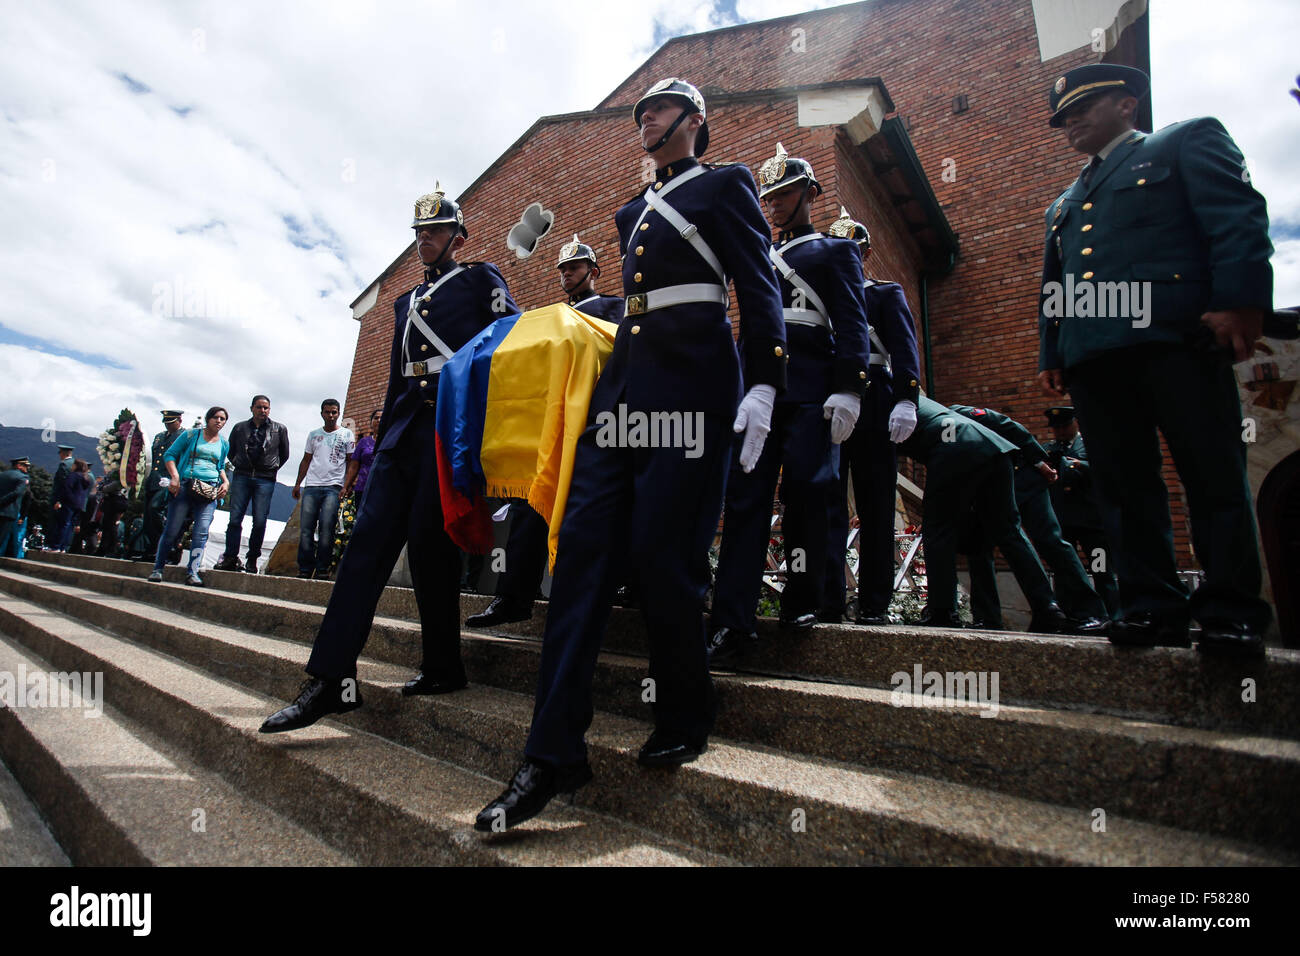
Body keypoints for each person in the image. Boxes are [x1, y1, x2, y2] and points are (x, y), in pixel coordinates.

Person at [476, 77, 786, 831]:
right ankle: (550, 757)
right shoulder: (628, 212)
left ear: (693, 121)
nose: (644, 116)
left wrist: (765, 383)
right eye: (640, 109)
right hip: (622, 400)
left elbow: (757, 284)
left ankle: (685, 709)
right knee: (580, 554)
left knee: (663, 557)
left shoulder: (727, 186)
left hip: (693, 390)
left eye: (659, 107)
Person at [259, 185, 518, 733]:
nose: (426, 240)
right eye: (420, 233)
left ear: (458, 235)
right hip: (403, 437)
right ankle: (331, 680)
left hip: (448, 432)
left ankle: (444, 666)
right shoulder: (404, 303)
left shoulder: (480, 279)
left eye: (436, 231)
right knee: (363, 553)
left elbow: (508, 343)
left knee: (432, 556)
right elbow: (399, 380)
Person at [1037, 64, 1273, 655]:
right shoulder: (1064, 202)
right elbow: (1057, 280)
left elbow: (1236, 215)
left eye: (1086, 107)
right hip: (1095, 356)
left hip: (1176, 339)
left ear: (1127, 103)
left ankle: (1230, 611)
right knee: (1123, 486)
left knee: (1211, 472)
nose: (1072, 122)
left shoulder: (1183, 141)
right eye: (1064, 116)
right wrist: (1054, 348)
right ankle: (1149, 606)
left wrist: (1239, 301)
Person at [707, 144, 870, 666]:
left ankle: (806, 599)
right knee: (745, 500)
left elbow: (850, 323)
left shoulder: (834, 251)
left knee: (807, 493)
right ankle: (733, 619)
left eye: (785, 194)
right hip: (760, 390)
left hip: (811, 390)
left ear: (810, 193)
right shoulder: (758, 254)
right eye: (769, 196)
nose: (775, 204)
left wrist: (850, 387)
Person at [466, 234, 624, 629]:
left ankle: (609, 588)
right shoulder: (549, 316)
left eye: (574, 266)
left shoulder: (613, 308)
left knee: (598, 510)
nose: (567, 273)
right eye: (562, 269)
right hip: (550, 426)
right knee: (530, 507)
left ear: (593, 270)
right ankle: (513, 596)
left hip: (594, 421)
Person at [820, 207, 922, 625]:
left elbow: (903, 346)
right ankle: (828, 595)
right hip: (830, 397)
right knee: (827, 501)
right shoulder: (821, 297)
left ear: (863, 253)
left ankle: (875, 602)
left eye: (853, 249)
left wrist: (907, 398)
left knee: (876, 502)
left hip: (876, 398)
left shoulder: (884, 293)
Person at [899, 397, 1069, 632]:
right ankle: (1047, 606)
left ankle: (943, 610)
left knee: (938, 529)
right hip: (995, 449)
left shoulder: (874, 401)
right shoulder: (919, 401)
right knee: (1010, 531)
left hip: (954, 447)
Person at [950, 404, 1108, 633]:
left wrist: (1038, 460)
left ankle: (1088, 611)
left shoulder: (957, 413)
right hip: (989, 487)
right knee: (978, 548)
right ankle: (988, 617)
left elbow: (1008, 425)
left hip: (1024, 480)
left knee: (1050, 541)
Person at [1045, 406, 1120, 619]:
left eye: (1064, 426)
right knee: (1063, 571)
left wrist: (1079, 466)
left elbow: (1106, 471)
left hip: (1092, 526)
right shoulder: (1050, 449)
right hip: (1064, 523)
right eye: (1056, 428)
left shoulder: (1090, 446)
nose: (1059, 432)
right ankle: (1070, 615)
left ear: (1075, 423)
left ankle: (1111, 615)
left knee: (1102, 570)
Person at [148, 407, 231, 586]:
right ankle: (158, 568)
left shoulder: (224, 443)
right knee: (172, 528)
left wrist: (225, 482)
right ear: (208, 418)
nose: (219, 421)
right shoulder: (191, 435)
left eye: (223, 419)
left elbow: (220, 465)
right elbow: (170, 455)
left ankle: (192, 572)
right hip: (186, 485)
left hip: (210, 489)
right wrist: (175, 476)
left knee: (201, 531)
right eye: (216, 417)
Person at [214, 395, 290, 573]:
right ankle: (230, 557)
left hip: (265, 479)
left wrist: (272, 467)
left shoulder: (279, 429)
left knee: (260, 521)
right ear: (252, 408)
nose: (263, 411)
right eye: (259, 407)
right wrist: (239, 463)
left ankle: (252, 559)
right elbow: (230, 451)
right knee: (235, 519)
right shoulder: (240, 428)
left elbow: (284, 454)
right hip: (242, 476)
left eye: (266, 408)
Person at [292, 399, 355, 580]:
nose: (331, 415)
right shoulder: (314, 435)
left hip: (333, 487)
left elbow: (351, 461)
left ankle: (322, 568)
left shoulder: (346, 434)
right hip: (312, 485)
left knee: (327, 528)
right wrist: (298, 483)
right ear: (322, 413)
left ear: (339, 413)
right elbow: (306, 459)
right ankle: (304, 568)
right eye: (327, 412)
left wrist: (347, 485)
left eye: (334, 412)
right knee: (306, 528)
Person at [135, 410, 185, 560]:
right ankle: (152, 548)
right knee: (148, 517)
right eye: (166, 423)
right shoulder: (159, 437)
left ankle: (169, 545)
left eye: (171, 422)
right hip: (154, 480)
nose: (168, 426)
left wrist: (175, 478)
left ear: (179, 421)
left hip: (169, 480)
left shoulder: (184, 437)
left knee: (156, 510)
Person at [342, 409, 381, 504]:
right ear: (371, 422)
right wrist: (346, 486)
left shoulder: (391, 441)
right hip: (362, 488)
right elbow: (354, 466)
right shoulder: (364, 442)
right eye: (376, 418)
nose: (379, 420)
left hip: (383, 489)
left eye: (382, 418)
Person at [57, 460, 94, 553]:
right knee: (70, 527)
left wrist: (61, 500)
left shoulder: (73, 475)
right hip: (79, 505)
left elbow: (67, 488)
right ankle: (64, 547)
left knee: (63, 524)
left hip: (69, 503)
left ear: (76, 466)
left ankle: (57, 546)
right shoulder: (87, 478)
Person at [0, 457, 32, 558]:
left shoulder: (2, 475)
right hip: (9, 512)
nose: (27, 468)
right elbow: (17, 493)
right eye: (26, 466)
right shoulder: (23, 478)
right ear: (19, 465)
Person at [49, 444, 75, 551]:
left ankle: (55, 546)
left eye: (60, 452)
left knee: (59, 523)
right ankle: (63, 547)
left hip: (62, 499)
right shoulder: (76, 464)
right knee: (68, 524)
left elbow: (62, 484)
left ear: (64, 453)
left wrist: (59, 500)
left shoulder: (64, 465)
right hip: (73, 499)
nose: (59, 455)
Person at [95, 478, 130, 558]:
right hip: (112, 506)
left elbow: (106, 488)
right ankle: (106, 549)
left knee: (111, 528)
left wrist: (104, 487)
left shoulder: (119, 479)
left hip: (113, 506)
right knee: (108, 528)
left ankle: (110, 549)